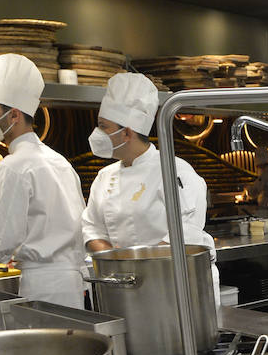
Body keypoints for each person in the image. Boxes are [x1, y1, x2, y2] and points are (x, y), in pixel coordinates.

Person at [81, 72, 219, 300]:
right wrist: (119, 265)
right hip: (124, 287)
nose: (97, 133)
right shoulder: (104, 177)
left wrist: (138, 267)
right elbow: (91, 228)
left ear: (127, 132)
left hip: (174, 287)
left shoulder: (174, 170)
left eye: (103, 126)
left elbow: (186, 233)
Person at [0, 53, 86, 308]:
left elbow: (1, 241)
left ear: (14, 116)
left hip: (43, 287)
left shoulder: (12, 167)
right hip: (73, 282)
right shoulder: (59, 160)